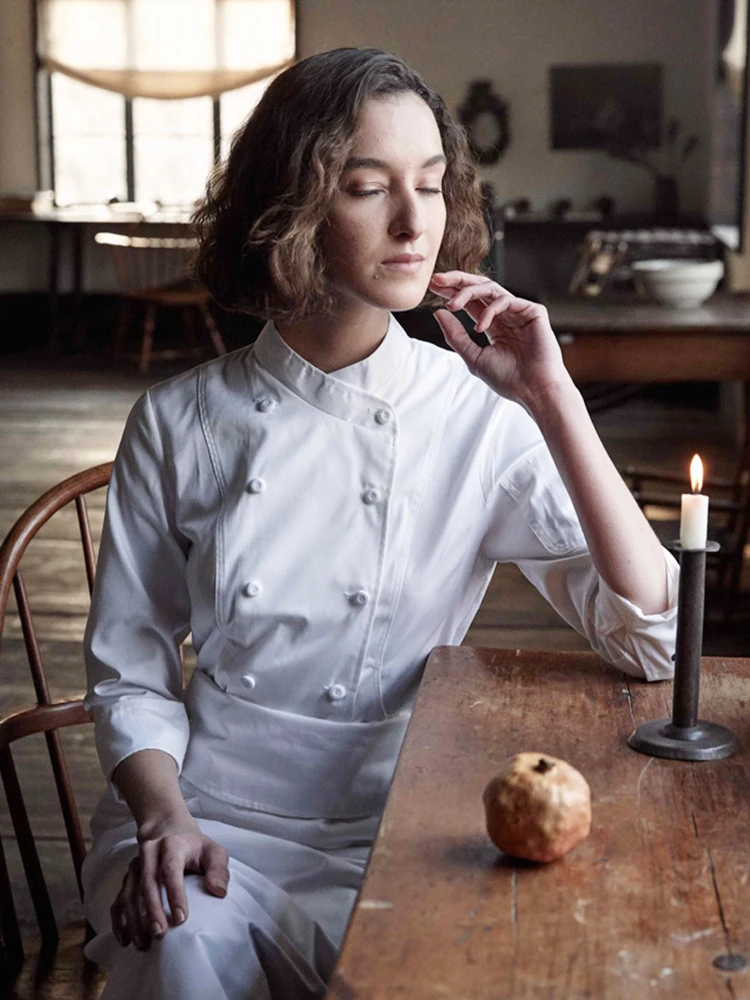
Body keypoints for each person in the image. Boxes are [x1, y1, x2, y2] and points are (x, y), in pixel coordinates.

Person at [81, 47, 678, 1000]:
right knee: (183, 953)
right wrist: (162, 817)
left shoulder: (479, 413)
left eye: (433, 186)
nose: (415, 223)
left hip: (405, 828)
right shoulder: (180, 420)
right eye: (368, 187)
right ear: (292, 207)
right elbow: (130, 670)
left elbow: (652, 639)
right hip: (207, 818)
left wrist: (552, 397)